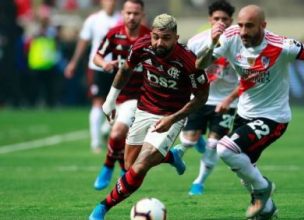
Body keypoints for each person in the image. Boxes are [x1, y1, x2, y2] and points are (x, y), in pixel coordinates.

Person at [195, 4, 304, 219]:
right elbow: (200, 65)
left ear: (263, 25)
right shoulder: (231, 37)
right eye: (241, 25)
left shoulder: (282, 45)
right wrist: (212, 43)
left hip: (273, 118)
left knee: (225, 149)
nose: (243, 31)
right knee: (245, 171)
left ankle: (264, 188)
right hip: (244, 115)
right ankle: (268, 208)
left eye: (249, 26)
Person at [89, 14, 209, 220]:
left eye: (166, 38)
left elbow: (202, 96)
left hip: (172, 115)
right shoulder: (141, 46)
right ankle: (171, 156)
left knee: (140, 166)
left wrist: (173, 119)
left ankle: (102, 208)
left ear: (176, 37)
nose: (159, 42)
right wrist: (110, 101)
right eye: (155, 37)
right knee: (129, 165)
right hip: (144, 109)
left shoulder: (188, 61)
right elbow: (126, 69)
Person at [172, 0, 238, 196]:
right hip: (201, 97)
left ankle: (198, 182)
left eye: (224, 19)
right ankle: (183, 148)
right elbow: (188, 70)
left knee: (213, 145)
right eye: (216, 18)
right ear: (210, 19)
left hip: (227, 102)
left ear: (231, 21)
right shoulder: (196, 41)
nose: (220, 22)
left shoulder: (239, 42)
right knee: (188, 141)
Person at [91, 0, 150, 190]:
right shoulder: (114, 33)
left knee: (118, 133)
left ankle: (109, 167)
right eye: (128, 13)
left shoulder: (149, 37)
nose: (132, 17)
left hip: (140, 98)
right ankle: (121, 169)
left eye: (136, 13)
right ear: (122, 13)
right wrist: (104, 64)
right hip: (118, 95)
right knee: (119, 137)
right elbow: (97, 56)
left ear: (142, 15)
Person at [64, 0, 121, 153]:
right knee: (98, 101)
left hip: (118, 68)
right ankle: (96, 142)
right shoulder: (93, 20)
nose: (111, 3)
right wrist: (73, 63)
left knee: (120, 102)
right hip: (97, 67)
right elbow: (83, 41)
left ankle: (104, 128)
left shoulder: (122, 19)